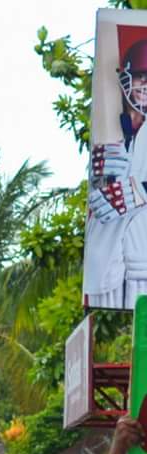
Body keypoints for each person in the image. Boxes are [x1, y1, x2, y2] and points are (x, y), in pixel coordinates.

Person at [84, 38, 147, 309]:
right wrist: (102, 182)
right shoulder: (114, 131)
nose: (145, 85)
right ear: (127, 79)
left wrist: (136, 191)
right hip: (108, 258)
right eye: (141, 76)